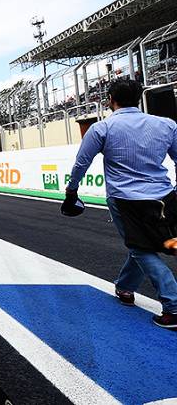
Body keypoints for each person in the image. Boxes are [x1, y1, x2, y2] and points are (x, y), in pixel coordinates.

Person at [65, 78, 177, 329]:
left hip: (125, 199)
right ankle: (125, 287)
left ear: (110, 100)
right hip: (163, 196)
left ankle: (174, 306)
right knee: (140, 245)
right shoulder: (166, 124)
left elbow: (82, 163)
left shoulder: (102, 128)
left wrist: (72, 191)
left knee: (141, 248)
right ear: (138, 99)